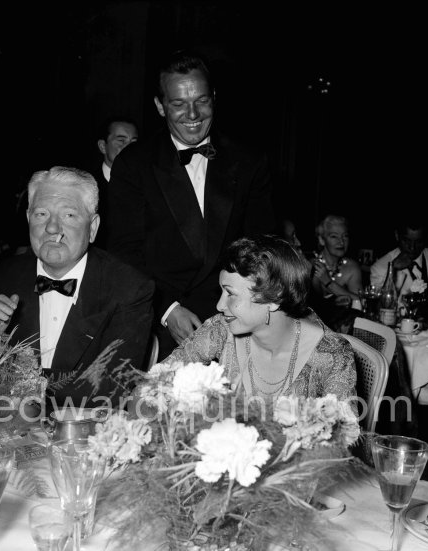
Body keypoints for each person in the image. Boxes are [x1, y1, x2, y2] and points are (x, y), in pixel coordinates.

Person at [105, 49, 275, 359]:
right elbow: (124, 253)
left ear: (214, 97)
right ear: (160, 106)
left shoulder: (249, 161)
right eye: (179, 104)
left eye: (201, 101)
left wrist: (236, 311)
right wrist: (168, 310)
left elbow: (262, 247)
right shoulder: (134, 164)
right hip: (160, 323)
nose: (193, 115)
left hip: (234, 321)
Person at [0, 166, 154, 410]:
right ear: (28, 219)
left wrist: (23, 394)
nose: (53, 228)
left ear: (93, 227)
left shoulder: (129, 288)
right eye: (42, 214)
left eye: (69, 216)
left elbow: (110, 389)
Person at [161, 235, 357, 403]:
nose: (219, 306)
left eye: (230, 294)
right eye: (221, 291)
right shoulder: (220, 329)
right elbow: (153, 385)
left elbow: (344, 440)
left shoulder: (332, 355)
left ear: (274, 297)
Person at [370, 214, 428, 300]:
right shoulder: (380, 268)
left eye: (419, 242)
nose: (412, 247)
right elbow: (380, 306)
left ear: (426, 238)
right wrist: (393, 271)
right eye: (406, 241)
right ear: (397, 236)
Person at [309, 214, 363, 332]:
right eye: (334, 236)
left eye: (345, 236)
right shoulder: (311, 266)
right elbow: (313, 306)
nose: (341, 242)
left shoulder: (351, 267)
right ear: (322, 240)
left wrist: (328, 282)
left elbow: (360, 303)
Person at [92, 116, 139, 249]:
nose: (129, 148)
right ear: (102, 146)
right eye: (121, 141)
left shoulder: (147, 185)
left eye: (134, 142)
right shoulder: (86, 185)